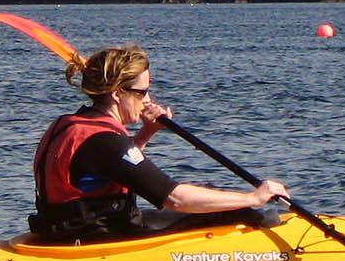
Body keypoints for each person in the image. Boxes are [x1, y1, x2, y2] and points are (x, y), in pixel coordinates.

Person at [29, 43, 289, 241]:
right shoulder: (105, 140)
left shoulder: (71, 123)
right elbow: (175, 198)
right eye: (142, 92)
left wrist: (145, 134)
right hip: (96, 236)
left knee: (210, 192)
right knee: (233, 209)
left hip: (67, 229)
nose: (148, 99)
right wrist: (254, 197)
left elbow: (110, 170)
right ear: (118, 93)